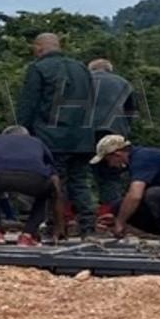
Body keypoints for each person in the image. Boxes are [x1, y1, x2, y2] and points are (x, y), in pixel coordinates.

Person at [17, 32, 96, 237]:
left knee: (54, 182)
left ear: (40, 47)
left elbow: (29, 104)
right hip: (82, 137)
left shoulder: (38, 68)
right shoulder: (81, 68)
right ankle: (88, 226)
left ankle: (55, 226)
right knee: (80, 181)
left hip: (51, 137)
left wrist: (22, 132)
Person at [0, 126, 66, 244]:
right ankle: (28, 234)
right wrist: (59, 227)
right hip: (33, 177)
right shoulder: (37, 142)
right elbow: (56, 185)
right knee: (46, 193)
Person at [88, 58, 138, 206]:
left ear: (91, 69)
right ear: (110, 70)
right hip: (114, 133)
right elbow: (130, 112)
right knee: (111, 174)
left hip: (84, 133)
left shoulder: (82, 80)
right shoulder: (124, 83)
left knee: (78, 174)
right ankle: (111, 210)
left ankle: (78, 213)